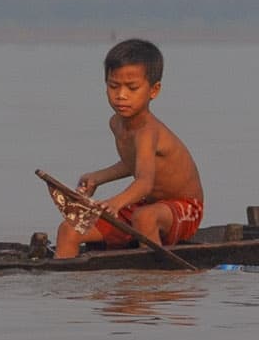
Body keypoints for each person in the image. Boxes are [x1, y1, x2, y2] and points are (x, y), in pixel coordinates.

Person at [54, 39, 204, 259]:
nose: (121, 95)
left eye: (132, 88)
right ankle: (66, 282)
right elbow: (132, 163)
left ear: (154, 90)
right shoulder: (116, 123)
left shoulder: (148, 132)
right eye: (113, 86)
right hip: (148, 204)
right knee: (69, 229)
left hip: (184, 208)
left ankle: (151, 277)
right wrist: (97, 178)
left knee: (144, 218)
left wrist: (117, 202)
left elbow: (144, 182)